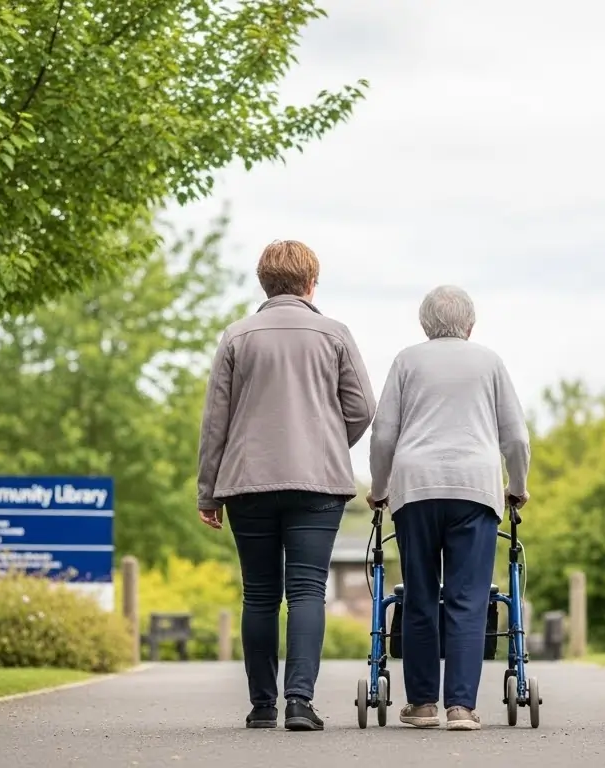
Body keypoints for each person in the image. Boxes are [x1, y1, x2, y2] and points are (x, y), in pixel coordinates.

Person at [197, 240, 377, 732]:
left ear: (264, 282)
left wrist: (208, 492)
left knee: (258, 595)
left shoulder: (236, 336)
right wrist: (326, 440)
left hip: (247, 482)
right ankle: (300, 702)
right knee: (306, 591)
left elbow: (216, 421)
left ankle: (261, 707)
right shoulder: (334, 334)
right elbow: (363, 407)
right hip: (317, 483)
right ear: (310, 282)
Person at [367, 285, 531, 732]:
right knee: (468, 599)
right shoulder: (490, 362)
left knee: (420, 595)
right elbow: (515, 437)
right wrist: (517, 487)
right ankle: (461, 707)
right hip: (475, 489)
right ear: (470, 325)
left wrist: (379, 488)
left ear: (424, 325)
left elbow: (383, 435)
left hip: (415, 488)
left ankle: (422, 705)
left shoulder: (406, 360)